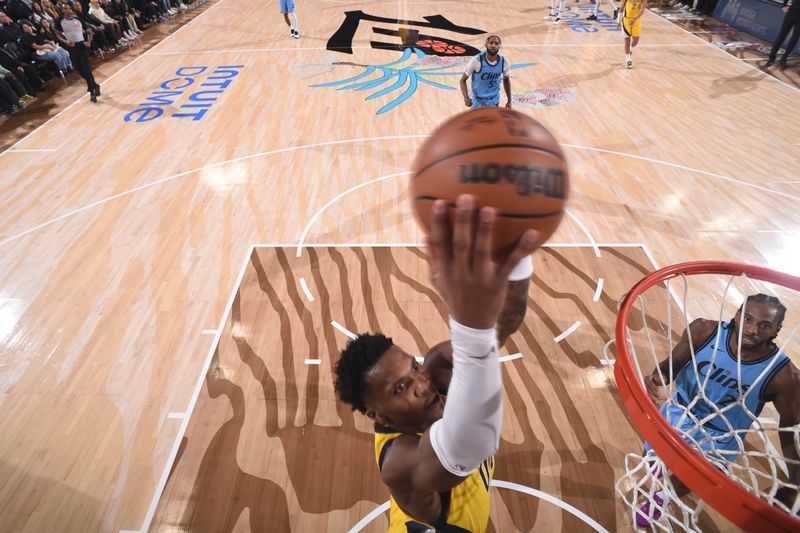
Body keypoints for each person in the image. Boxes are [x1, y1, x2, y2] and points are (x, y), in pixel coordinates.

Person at [333, 194, 538, 532]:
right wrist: (470, 325)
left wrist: (517, 254)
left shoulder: (436, 367)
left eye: (413, 368)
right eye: (401, 388)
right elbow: (470, 444)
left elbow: (503, 326)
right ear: (378, 416)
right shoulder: (399, 462)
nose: (422, 384)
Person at [638, 294, 800, 525]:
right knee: (650, 460)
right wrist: (658, 377)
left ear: (776, 330)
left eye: (764, 325)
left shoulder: (785, 376)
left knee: (692, 478)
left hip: (722, 435)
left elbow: (789, 430)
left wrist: (794, 483)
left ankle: (661, 499)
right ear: (737, 315)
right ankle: (660, 471)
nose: (752, 329)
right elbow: (670, 365)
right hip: (681, 411)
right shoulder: (704, 331)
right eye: (748, 319)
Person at [54, 4, 101, 101]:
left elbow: (90, 32)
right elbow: (58, 35)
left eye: (68, 8)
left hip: (82, 46)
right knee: (80, 71)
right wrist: (66, 41)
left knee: (87, 70)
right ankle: (95, 85)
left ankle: (92, 92)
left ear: (71, 9)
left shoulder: (78, 19)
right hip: (71, 48)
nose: (66, 10)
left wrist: (88, 41)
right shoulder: (59, 21)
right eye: (64, 8)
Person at [459, 35, 511, 109]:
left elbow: (506, 80)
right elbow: (462, 80)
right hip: (478, 101)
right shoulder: (476, 61)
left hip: (494, 101)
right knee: (475, 121)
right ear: (486, 44)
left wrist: (509, 101)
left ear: (499, 46)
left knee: (492, 121)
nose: (493, 45)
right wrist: (466, 98)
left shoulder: (504, 62)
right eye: (491, 43)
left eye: (496, 44)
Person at [766, 0, 799, 69]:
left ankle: (783, 59)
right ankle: (771, 58)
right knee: (782, 35)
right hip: (792, 12)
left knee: (794, 39)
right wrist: (784, 5)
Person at [618, 0, 647, 69]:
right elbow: (621, 8)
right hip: (626, 20)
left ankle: (630, 48)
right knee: (627, 40)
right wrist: (618, 20)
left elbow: (642, 10)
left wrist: (634, 19)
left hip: (636, 21)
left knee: (635, 41)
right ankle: (628, 59)